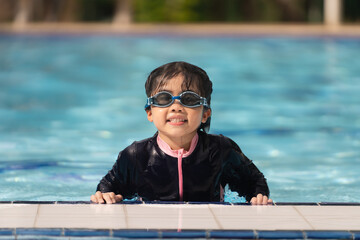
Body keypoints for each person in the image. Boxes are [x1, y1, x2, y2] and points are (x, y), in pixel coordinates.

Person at [91, 61, 272, 205]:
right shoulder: (136, 155)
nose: (176, 107)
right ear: (150, 113)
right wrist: (106, 196)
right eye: (164, 98)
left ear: (205, 114)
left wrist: (258, 197)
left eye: (189, 99)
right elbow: (108, 187)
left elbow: (254, 182)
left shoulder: (221, 151)